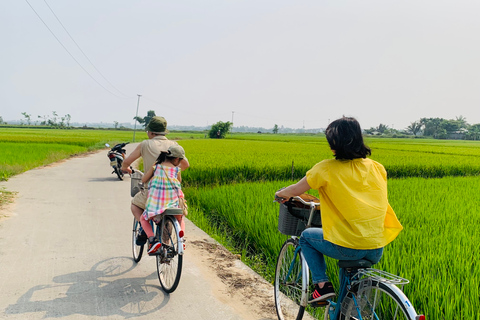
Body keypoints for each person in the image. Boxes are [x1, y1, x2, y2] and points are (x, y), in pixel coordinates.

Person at [275, 116, 403, 304]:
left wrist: (280, 194)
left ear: (334, 144)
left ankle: (322, 286)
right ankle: (345, 310)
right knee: (348, 277)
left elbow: (296, 190)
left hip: (349, 247)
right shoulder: (376, 167)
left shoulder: (325, 169)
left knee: (306, 237)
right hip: (376, 247)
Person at [121, 116, 189, 245]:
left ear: (151, 132)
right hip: (172, 196)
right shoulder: (173, 145)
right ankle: (166, 246)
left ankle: (144, 229)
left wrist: (125, 168)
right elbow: (185, 165)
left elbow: (127, 162)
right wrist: (170, 172)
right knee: (171, 214)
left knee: (135, 205)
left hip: (152, 193)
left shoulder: (145, 144)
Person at [140, 145, 187, 255]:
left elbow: (143, 179)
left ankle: (152, 241)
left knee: (143, 219)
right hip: (173, 203)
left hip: (156, 205)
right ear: (176, 159)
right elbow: (178, 183)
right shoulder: (176, 170)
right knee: (180, 219)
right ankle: (181, 239)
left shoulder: (156, 167)